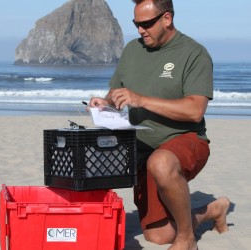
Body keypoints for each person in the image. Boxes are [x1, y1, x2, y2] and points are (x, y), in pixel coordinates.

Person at [88, 0, 230, 249]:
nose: (141, 30)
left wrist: (140, 99)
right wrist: (106, 103)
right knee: (159, 235)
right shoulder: (133, 50)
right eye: (136, 24)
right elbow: (116, 93)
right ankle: (212, 210)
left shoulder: (194, 53)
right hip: (141, 148)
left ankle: (187, 239)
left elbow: (195, 110)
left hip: (186, 140)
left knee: (161, 161)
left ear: (167, 19)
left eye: (146, 24)